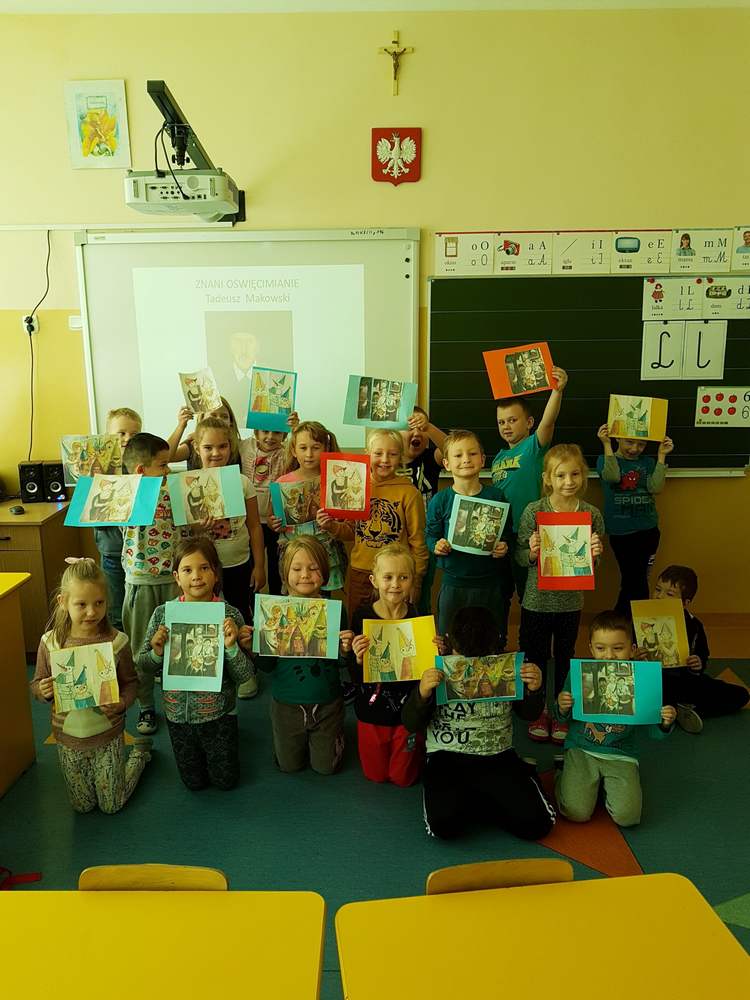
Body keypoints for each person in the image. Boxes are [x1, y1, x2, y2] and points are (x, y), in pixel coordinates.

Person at [401, 606, 555, 841]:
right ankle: (483, 799)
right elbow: (410, 723)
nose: (473, 664)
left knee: (538, 825)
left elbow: (528, 714)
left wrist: (534, 690)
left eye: (482, 656)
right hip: (447, 757)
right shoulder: (436, 667)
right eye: (463, 656)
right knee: (443, 827)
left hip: (498, 756)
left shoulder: (506, 667)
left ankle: (486, 796)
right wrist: (422, 694)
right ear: (449, 642)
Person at [30, 558, 152, 813]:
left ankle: (139, 755)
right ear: (63, 602)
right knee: (82, 806)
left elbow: (131, 683)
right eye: (81, 604)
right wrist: (42, 691)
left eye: (99, 603)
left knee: (111, 805)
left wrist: (122, 703)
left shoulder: (117, 642)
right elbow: (36, 683)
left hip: (108, 736)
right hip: (67, 739)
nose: (91, 612)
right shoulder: (50, 643)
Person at [137, 537, 254, 790]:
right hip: (177, 715)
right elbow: (143, 665)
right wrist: (157, 652)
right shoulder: (163, 615)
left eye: (204, 568)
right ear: (177, 577)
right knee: (194, 783)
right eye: (187, 570)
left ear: (216, 573)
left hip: (219, 714)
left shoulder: (230, 615)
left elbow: (245, 675)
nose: (196, 576)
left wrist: (232, 647)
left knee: (226, 782)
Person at [516, 443, 605, 744]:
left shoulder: (591, 514)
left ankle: (560, 710)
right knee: (536, 657)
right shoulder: (535, 511)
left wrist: (595, 554)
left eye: (575, 474)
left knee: (565, 657)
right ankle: (538, 709)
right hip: (536, 601)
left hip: (570, 602)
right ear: (547, 478)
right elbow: (519, 557)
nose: (568, 481)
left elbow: (593, 563)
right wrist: (531, 552)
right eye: (560, 475)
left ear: (584, 475)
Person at [554, 611, 676, 827]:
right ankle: (562, 774)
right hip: (582, 749)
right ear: (591, 648)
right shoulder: (580, 674)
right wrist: (562, 707)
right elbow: (562, 718)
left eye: (618, 648)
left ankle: (600, 788)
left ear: (632, 649)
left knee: (628, 817)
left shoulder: (642, 678)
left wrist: (665, 722)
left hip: (622, 754)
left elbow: (653, 731)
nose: (609, 656)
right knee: (575, 812)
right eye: (601, 648)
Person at [253, 536, 353, 774]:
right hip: (286, 704)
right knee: (289, 766)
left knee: (326, 768)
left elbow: (341, 663)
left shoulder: (335, 611)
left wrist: (344, 650)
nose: (305, 575)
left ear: (325, 573)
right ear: (284, 573)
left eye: (313, 568)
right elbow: (266, 666)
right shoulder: (274, 613)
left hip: (327, 702)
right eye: (296, 569)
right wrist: (255, 646)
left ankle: (334, 734)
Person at [122, 432, 191, 735]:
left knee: (179, 642)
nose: (168, 469)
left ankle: (180, 701)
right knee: (141, 646)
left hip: (173, 579)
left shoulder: (173, 488)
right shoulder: (127, 494)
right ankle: (146, 705)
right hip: (142, 580)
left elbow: (186, 524)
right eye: (163, 465)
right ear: (141, 470)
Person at [192, 417, 265, 698]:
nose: (216, 453)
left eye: (222, 446)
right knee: (206, 617)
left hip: (239, 563)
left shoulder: (242, 482)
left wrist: (260, 566)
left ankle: (246, 671)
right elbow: (183, 533)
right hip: (203, 567)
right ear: (197, 447)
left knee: (240, 615)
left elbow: (255, 526)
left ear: (231, 446)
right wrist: (198, 527)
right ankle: (210, 669)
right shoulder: (188, 484)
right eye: (208, 447)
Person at [349, 543, 426, 787]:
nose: (395, 584)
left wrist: (436, 650)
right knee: (376, 775)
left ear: (412, 581)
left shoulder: (417, 618)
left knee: (403, 778)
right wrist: (357, 657)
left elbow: (423, 672)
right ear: (374, 580)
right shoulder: (362, 616)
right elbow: (354, 674)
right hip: (371, 709)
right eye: (388, 577)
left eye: (403, 577)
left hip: (406, 711)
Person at [491, 366, 569, 603]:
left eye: (512, 420)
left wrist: (557, 391)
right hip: (503, 535)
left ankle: (532, 625)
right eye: (501, 422)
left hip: (529, 534)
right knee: (500, 592)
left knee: (531, 592)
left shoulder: (534, 447)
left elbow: (548, 422)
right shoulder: (497, 458)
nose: (506, 426)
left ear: (529, 422)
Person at [425, 430, 511, 640]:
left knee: (491, 640)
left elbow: (507, 534)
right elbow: (430, 536)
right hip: (454, 584)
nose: (466, 459)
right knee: (449, 640)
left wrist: (503, 546)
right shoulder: (441, 500)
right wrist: (436, 545)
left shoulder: (496, 497)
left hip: (489, 583)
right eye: (458, 455)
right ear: (446, 464)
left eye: (472, 454)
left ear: (482, 459)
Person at [644, 566, 749, 733]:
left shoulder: (694, 625)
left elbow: (702, 654)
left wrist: (697, 663)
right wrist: (635, 656)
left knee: (741, 695)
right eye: (657, 589)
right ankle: (671, 709)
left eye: (669, 594)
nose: (659, 596)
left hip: (685, 682)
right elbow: (628, 650)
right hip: (652, 683)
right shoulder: (641, 619)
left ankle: (680, 709)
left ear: (685, 603)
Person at [343, 429, 428, 614]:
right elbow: (350, 531)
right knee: (358, 624)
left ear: (401, 457)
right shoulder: (356, 486)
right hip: (361, 572)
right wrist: (331, 526)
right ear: (367, 454)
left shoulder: (409, 492)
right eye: (378, 453)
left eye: (392, 454)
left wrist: (416, 579)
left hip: (396, 575)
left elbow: (418, 540)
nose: (385, 459)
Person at [596, 422, 674, 615]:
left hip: (648, 530)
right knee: (634, 580)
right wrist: (606, 444)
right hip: (621, 533)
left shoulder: (647, 463)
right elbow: (613, 477)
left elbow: (656, 488)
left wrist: (661, 456)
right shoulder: (604, 459)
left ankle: (625, 621)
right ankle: (627, 620)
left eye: (641, 444)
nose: (634, 449)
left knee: (638, 580)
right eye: (629, 442)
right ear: (618, 437)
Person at [268, 420, 348, 593]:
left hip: (324, 552)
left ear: (326, 448)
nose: (309, 454)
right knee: (297, 597)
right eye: (303, 448)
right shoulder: (282, 483)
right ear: (294, 451)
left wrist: (332, 520)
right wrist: (274, 524)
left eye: (316, 447)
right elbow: (272, 518)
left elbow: (343, 519)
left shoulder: (335, 480)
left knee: (324, 599)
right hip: (294, 554)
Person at [94, 406, 142, 630]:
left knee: (139, 609)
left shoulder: (142, 469)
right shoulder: (99, 471)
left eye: (134, 434)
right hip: (113, 551)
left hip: (140, 553)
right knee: (116, 610)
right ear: (107, 437)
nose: (127, 439)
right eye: (121, 433)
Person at [239, 417, 298, 596]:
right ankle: (251, 602)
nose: (270, 437)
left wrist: (295, 428)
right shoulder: (245, 446)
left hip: (275, 521)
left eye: (277, 432)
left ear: (284, 435)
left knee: (276, 568)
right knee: (251, 568)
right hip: (249, 520)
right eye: (265, 431)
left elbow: (300, 445)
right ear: (256, 432)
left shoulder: (286, 452)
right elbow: (227, 437)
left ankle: (276, 599)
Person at [400, 405, 447, 614]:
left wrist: (430, 427)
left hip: (425, 539)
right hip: (396, 539)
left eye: (421, 428)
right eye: (409, 428)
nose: (416, 433)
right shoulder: (387, 462)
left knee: (420, 596)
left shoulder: (430, 459)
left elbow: (451, 449)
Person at [168, 396, 242, 470]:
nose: (219, 420)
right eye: (213, 416)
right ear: (201, 419)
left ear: (231, 422)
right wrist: (181, 426)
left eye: (224, 416)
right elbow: (167, 457)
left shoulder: (240, 446)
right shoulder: (193, 445)